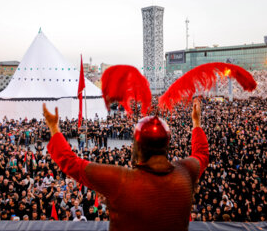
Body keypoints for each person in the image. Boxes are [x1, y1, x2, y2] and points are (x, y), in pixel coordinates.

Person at [43, 98, 209, 231]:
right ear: (167, 144)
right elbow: (201, 154)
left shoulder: (122, 180)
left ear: (137, 146)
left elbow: (72, 163)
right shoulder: (185, 172)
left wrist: (54, 128)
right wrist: (196, 123)